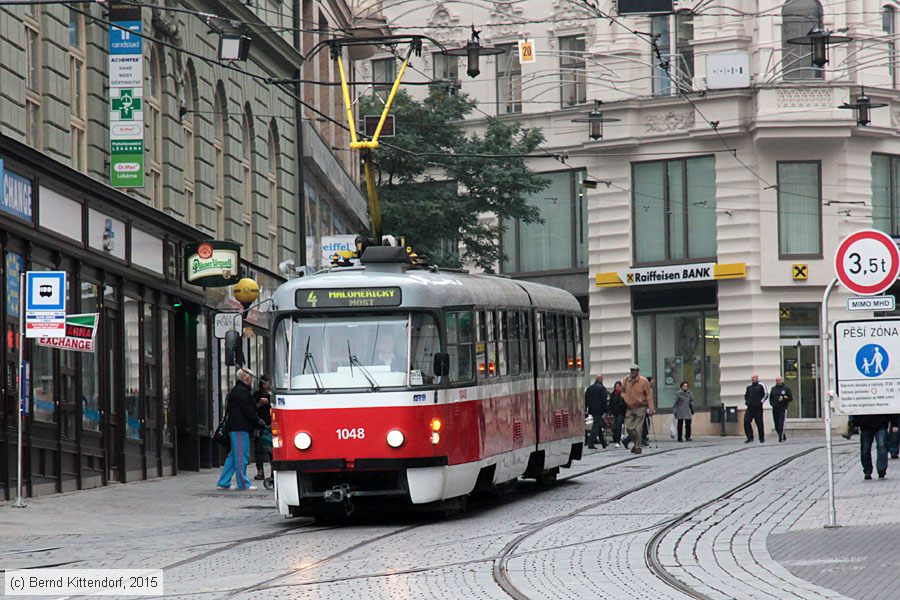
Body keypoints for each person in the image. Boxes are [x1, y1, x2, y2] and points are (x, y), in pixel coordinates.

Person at [217, 368, 267, 491]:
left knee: (234, 455)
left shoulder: (238, 390)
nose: (252, 380)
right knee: (241, 455)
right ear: (246, 378)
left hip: (236, 427)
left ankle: (224, 481)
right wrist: (258, 421)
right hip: (240, 427)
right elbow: (247, 410)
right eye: (251, 377)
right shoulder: (242, 392)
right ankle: (243, 483)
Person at [855, 413, 900, 479]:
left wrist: (894, 423)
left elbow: (889, 407)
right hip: (865, 424)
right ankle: (867, 470)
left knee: (881, 445)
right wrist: (855, 422)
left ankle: (881, 469)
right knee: (865, 449)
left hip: (881, 423)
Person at [623, 364, 655, 454]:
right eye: (631, 370)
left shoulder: (644, 381)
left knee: (638, 428)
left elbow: (649, 395)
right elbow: (622, 391)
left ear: (638, 371)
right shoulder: (626, 380)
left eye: (635, 370)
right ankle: (637, 443)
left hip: (640, 407)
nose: (633, 372)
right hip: (630, 407)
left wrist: (651, 408)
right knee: (629, 428)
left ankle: (638, 447)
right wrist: (625, 398)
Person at [253, 375, 273, 480]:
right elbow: (252, 408)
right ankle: (260, 470)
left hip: (271, 424)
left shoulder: (272, 395)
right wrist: (260, 404)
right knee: (259, 448)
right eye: (265, 383)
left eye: (269, 383)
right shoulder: (256, 395)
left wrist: (269, 403)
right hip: (260, 424)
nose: (267, 386)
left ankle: (273, 471)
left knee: (271, 448)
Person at [584, 375, 609, 449]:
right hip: (599, 410)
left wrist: (586, 409)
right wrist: (606, 411)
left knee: (598, 425)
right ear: (601, 380)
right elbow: (604, 401)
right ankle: (591, 443)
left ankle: (603, 442)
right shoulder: (602, 388)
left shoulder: (589, 388)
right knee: (595, 426)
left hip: (592, 409)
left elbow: (586, 399)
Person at [744, 374, 768, 443]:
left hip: (758, 408)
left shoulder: (761, 385)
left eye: (754, 378)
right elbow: (746, 396)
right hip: (750, 408)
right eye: (752, 378)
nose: (753, 379)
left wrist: (760, 402)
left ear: (757, 378)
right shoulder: (749, 387)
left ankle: (761, 438)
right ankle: (750, 437)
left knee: (759, 423)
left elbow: (765, 394)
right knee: (746, 421)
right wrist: (747, 402)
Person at [769, 376, 793, 443]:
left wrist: (784, 399)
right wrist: (772, 404)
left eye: (779, 380)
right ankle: (782, 434)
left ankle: (780, 437)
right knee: (776, 424)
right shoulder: (773, 389)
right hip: (775, 408)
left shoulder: (786, 389)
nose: (778, 382)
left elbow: (790, 398)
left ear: (782, 380)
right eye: (776, 380)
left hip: (783, 408)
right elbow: (771, 398)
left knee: (781, 423)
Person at [609, 381, 626, 447]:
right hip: (614, 413)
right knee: (614, 427)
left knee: (618, 427)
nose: (617, 388)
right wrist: (610, 411)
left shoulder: (622, 395)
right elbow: (610, 403)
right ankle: (616, 439)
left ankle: (617, 441)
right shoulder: (613, 394)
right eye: (616, 386)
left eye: (618, 386)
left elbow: (625, 404)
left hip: (621, 413)